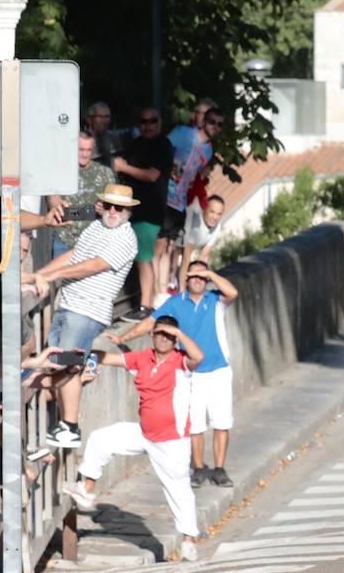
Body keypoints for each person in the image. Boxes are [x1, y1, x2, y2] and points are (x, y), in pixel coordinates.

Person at [63, 315, 205, 562]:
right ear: (152, 335)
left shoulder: (181, 361)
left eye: (169, 335)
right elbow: (108, 358)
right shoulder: (144, 358)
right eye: (160, 333)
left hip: (172, 440)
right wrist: (85, 349)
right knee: (101, 438)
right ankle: (86, 490)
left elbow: (198, 357)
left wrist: (178, 333)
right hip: (144, 433)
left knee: (179, 490)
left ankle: (189, 541)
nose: (164, 338)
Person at [113, 260, 240, 487]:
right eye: (194, 276)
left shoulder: (215, 300)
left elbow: (233, 292)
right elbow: (149, 324)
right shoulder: (175, 303)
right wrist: (124, 338)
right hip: (191, 372)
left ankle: (220, 469)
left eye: (202, 277)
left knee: (222, 421)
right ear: (186, 279)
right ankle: (199, 469)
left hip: (219, 370)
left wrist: (210, 272)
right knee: (196, 424)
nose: (198, 280)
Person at [34, 183, 140, 448]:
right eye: (109, 205)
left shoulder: (126, 238)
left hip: (88, 310)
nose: (113, 211)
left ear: (128, 211)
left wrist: (53, 275)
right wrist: (41, 275)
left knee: (67, 362)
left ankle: (69, 425)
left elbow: (93, 266)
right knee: (59, 361)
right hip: (70, 304)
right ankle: (60, 421)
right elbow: (74, 256)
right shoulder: (97, 226)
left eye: (120, 207)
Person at [155, 106, 221, 301]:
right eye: (212, 122)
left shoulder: (208, 150)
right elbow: (162, 147)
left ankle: (164, 291)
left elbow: (195, 172)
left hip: (181, 201)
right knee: (159, 246)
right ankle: (155, 293)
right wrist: (170, 166)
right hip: (164, 193)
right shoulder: (184, 133)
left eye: (219, 125)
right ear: (203, 121)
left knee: (169, 245)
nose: (215, 127)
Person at [114, 107, 174, 319]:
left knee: (143, 257)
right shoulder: (137, 144)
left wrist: (123, 167)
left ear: (160, 122)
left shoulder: (163, 145)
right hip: (134, 210)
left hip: (150, 211)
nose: (147, 125)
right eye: (143, 121)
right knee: (141, 256)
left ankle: (145, 306)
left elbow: (152, 175)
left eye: (152, 121)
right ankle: (146, 302)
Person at [54, 130, 116, 259]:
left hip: (94, 242)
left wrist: (105, 208)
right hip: (64, 239)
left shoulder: (105, 173)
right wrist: (91, 210)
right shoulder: (59, 172)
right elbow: (56, 208)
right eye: (81, 149)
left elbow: (115, 208)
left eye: (89, 150)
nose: (85, 154)